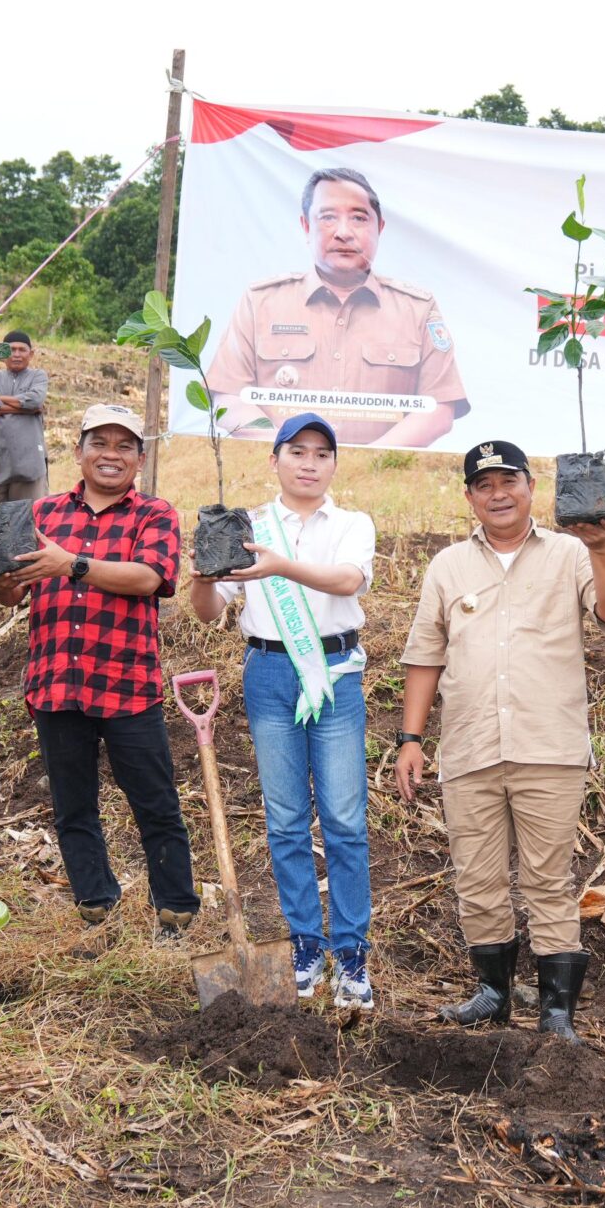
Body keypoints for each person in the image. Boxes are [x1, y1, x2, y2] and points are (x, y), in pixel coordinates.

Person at [396, 439, 605, 1039]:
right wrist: (410, 737)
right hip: (471, 747)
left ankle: (557, 1012)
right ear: (470, 496)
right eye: (484, 486)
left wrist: (603, 547)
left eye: (509, 482)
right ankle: (494, 993)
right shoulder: (449, 565)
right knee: (476, 874)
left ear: (532, 487)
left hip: (547, 746)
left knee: (546, 877)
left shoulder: (570, 554)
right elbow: (426, 654)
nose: (498, 494)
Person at [0, 405, 199, 931]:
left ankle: (174, 907)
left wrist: (73, 565)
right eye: (99, 443)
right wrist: (3, 582)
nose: (110, 454)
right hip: (57, 682)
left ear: (140, 459)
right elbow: (8, 595)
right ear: (78, 452)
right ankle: (95, 901)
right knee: (72, 804)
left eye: (124, 445)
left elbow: (150, 577)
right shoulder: (42, 514)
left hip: (127, 684)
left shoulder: (155, 514)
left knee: (155, 801)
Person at [188, 414, 376, 1001]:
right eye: (297, 451)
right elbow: (207, 611)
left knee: (345, 820)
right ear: (274, 459)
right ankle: (304, 944)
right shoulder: (247, 526)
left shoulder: (351, 523)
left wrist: (277, 566)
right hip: (269, 672)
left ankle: (350, 953)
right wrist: (199, 574)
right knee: (287, 818)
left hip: (336, 673)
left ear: (334, 465)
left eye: (323, 453)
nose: (310, 463)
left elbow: (347, 581)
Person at [207, 167, 469, 448]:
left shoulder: (417, 309)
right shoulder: (260, 302)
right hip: (278, 478)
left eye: (358, 218)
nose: (344, 232)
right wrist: (291, 456)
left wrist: (363, 462)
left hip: (377, 479)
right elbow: (228, 398)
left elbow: (438, 410)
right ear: (307, 226)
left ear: (379, 228)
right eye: (328, 217)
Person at [0, 331, 49, 502]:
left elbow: (36, 400)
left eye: (22, 350)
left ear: (30, 354)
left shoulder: (38, 376)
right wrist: (27, 407)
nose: (16, 354)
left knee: (28, 521)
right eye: (11, 350)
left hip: (29, 462)